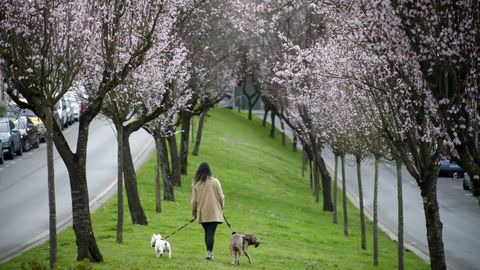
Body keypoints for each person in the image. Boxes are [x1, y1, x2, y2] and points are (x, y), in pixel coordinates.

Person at [191, 162, 225, 261]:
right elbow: (221, 196)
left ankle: (209, 253)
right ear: (209, 171)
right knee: (210, 233)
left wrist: (194, 213)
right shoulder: (215, 182)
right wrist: (221, 207)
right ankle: (209, 253)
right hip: (214, 212)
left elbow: (194, 201)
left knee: (208, 233)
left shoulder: (196, 184)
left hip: (203, 213)